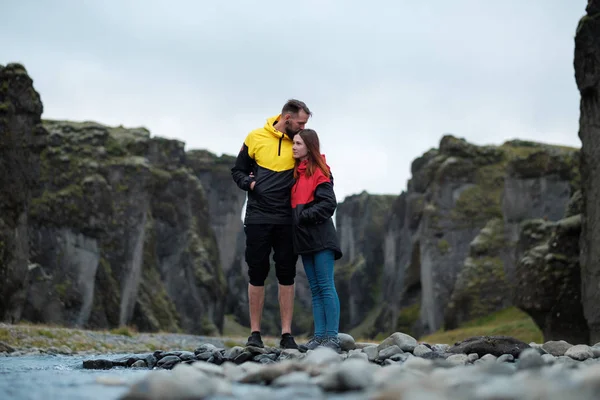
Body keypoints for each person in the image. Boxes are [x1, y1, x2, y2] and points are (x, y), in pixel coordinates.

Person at [231, 99, 311, 349]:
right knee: (257, 272)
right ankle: (255, 334)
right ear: (287, 118)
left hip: (287, 219)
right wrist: (251, 184)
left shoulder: (300, 143)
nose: (302, 128)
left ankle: (286, 334)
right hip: (257, 218)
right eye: (300, 123)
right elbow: (238, 171)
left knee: (287, 274)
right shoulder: (255, 137)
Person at [290, 128, 343, 353]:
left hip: (321, 238)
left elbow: (329, 204)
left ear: (309, 147)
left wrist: (303, 217)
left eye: (298, 144)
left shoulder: (320, 171)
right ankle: (319, 337)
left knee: (326, 287)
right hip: (305, 241)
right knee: (315, 289)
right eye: (293, 142)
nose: (294, 147)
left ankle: (332, 338)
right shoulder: (297, 174)